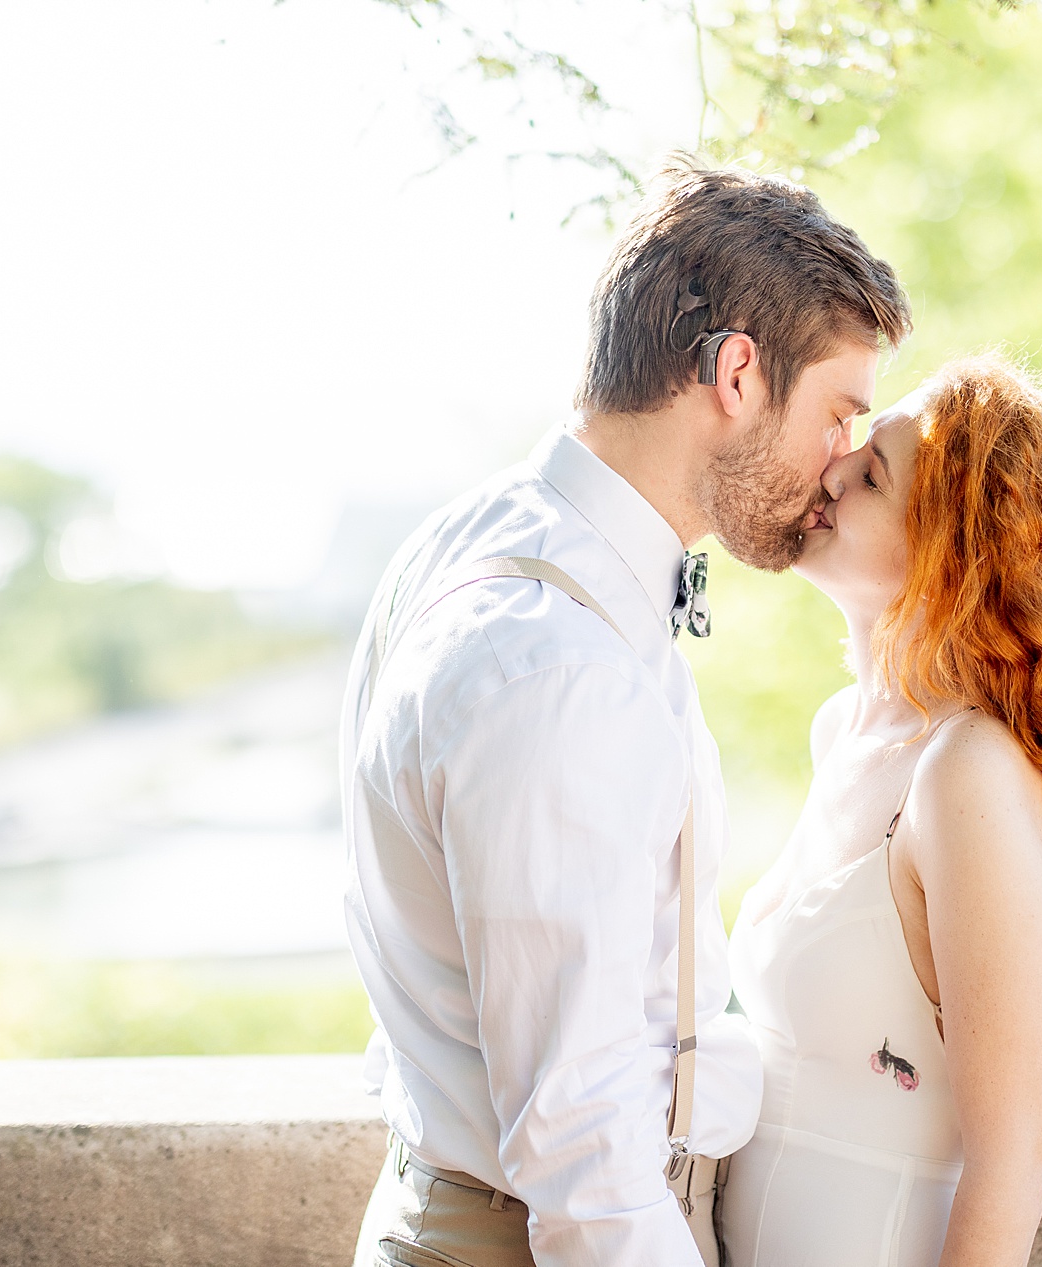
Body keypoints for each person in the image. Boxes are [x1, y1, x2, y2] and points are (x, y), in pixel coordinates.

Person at [340, 158, 910, 1267]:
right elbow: (585, 1157)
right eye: (840, 411)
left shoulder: (476, 540)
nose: (842, 458)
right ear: (736, 374)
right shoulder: (557, 667)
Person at [721, 356, 1042, 1267]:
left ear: (955, 552)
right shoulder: (840, 732)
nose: (830, 475)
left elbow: (1014, 1160)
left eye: (871, 476)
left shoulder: (967, 771)